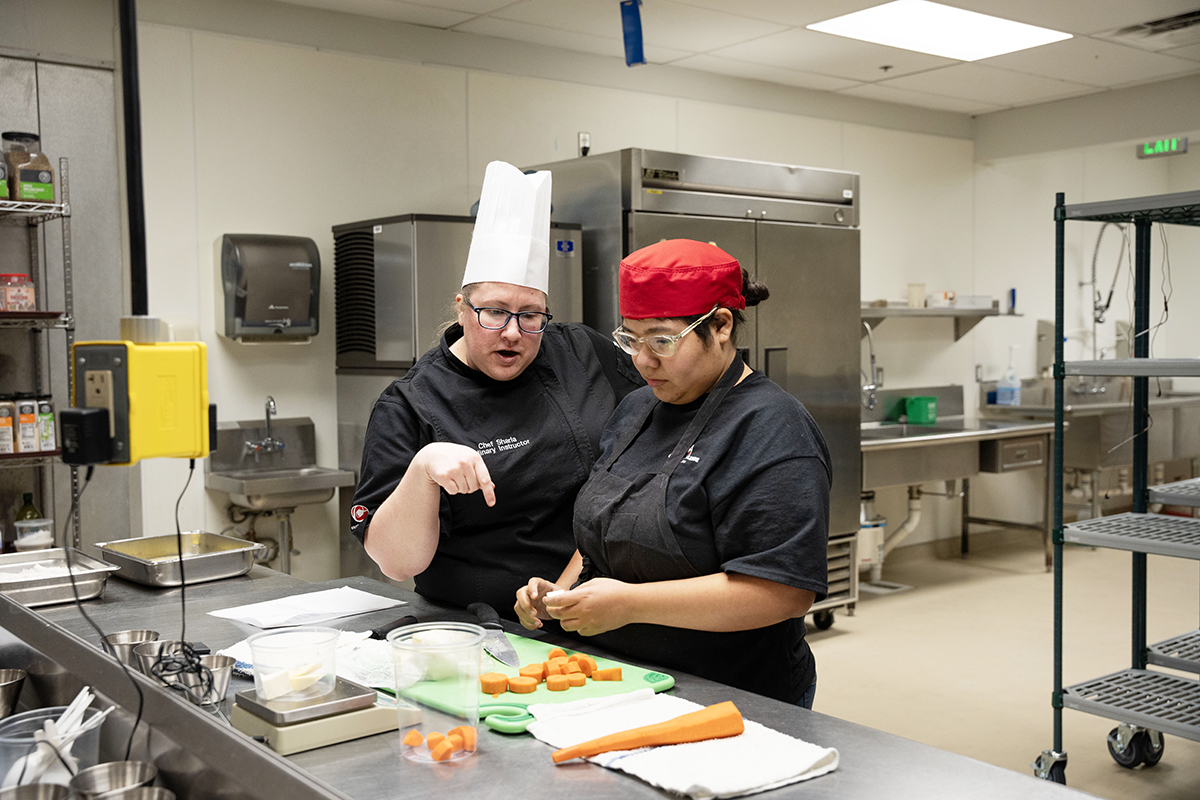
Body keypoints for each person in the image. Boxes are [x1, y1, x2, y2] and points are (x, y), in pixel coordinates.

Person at [515, 239, 830, 707]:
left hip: (729, 694)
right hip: (621, 679)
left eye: (662, 340)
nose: (642, 361)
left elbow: (782, 591)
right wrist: (561, 598)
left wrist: (630, 604)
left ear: (720, 325)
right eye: (630, 339)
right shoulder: (638, 407)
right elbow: (610, 526)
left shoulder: (772, 429)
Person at [351, 161, 642, 618]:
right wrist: (422, 470)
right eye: (494, 312)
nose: (512, 333)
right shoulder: (409, 404)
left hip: (602, 612)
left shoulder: (582, 352)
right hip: (476, 627)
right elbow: (397, 562)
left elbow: (658, 423)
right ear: (462, 308)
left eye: (530, 316)